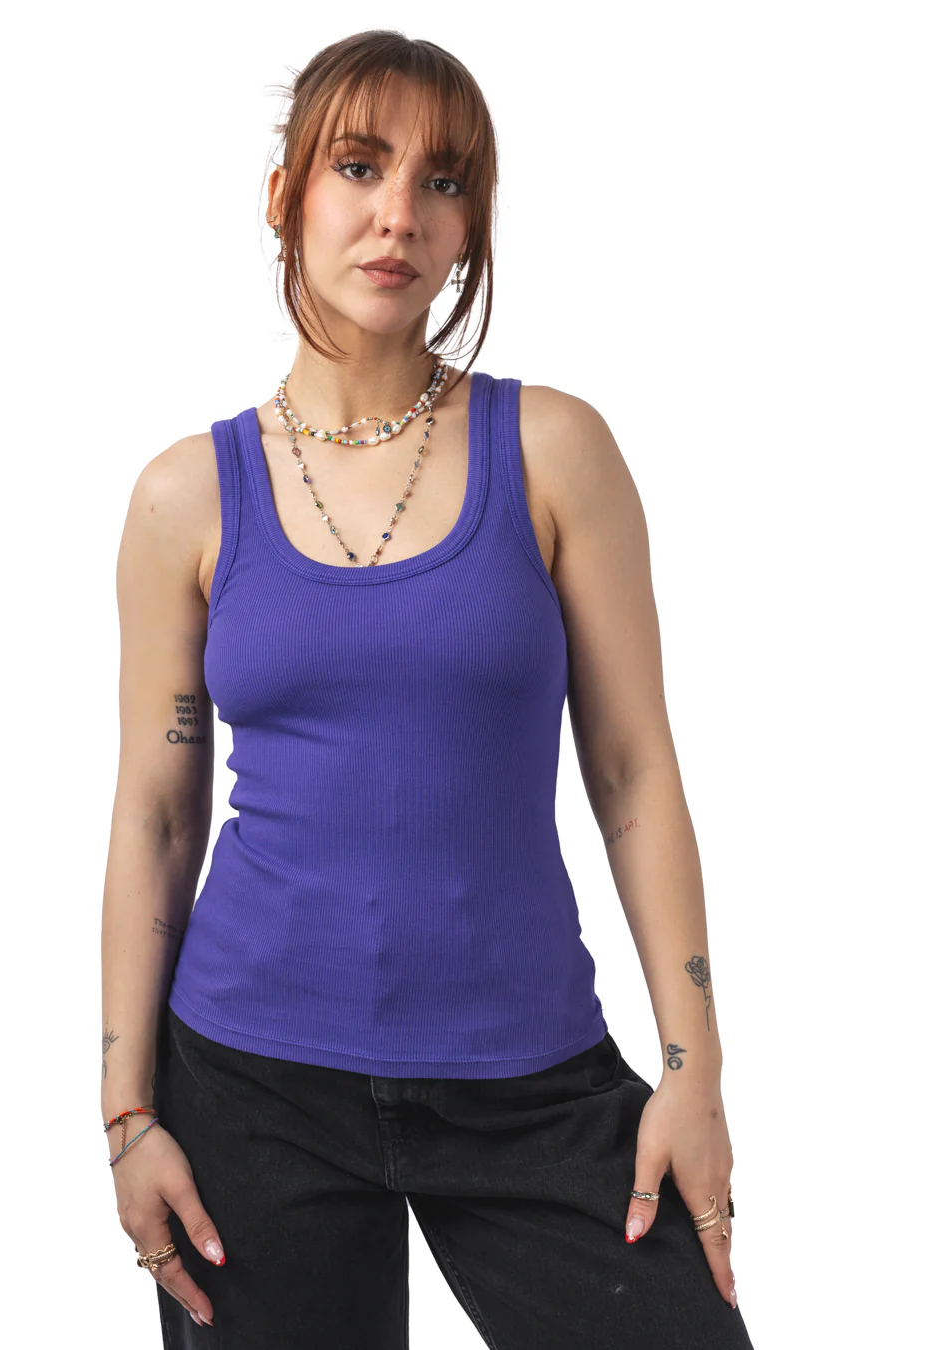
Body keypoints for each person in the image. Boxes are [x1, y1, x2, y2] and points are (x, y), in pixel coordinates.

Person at [100, 29, 756, 1350]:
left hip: (526, 1075)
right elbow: (157, 816)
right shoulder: (186, 496)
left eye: (443, 180)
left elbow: (633, 772)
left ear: (470, 226)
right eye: (359, 166)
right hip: (249, 1086)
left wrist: (695, 1072)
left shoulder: (554, 451)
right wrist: (128, 1116)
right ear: (283, 194)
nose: (399, 212)